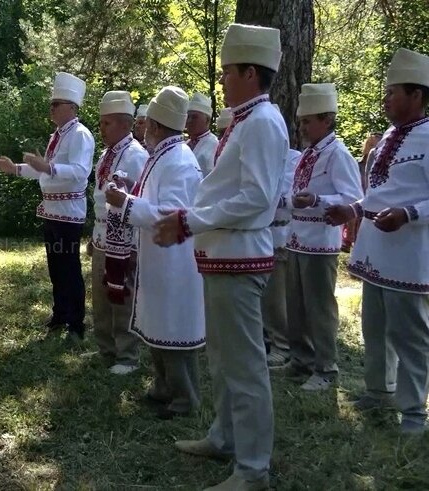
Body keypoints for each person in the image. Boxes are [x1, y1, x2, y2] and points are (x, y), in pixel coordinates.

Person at [154, 23, 288, 491]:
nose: (222, 80)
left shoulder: (265, 123)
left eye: (229, 71)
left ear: (251, 73)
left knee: (245, 365)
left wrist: (190, 221)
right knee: (225, 360)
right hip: (223, 256)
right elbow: (231, 191)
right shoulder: (247, 122)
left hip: (241, 260)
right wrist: (191, 218)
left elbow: (256, 198)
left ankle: (253, 469)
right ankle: (225, 436)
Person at [325, 48, 429, 434]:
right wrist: (353, 208)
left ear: (416, 95)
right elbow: (379, 192)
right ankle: (377, 390)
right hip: (375, 249)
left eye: (392, 93)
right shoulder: (387, 136)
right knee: (375, 325)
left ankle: (414, 411)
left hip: (408, 251)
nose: (385, 100)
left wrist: (409, 213)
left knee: (409, 333)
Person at [105, 86, 205, 419]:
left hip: (174, 260)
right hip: (157, 257)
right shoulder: (163, 155)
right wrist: (127, 196)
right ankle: (164, 386)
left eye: (147, 124)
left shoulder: (179, 160)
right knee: (158, 326)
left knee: (172, 328)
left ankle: (184, 399)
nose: (143, 130)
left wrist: (126, 203)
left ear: (158, 127)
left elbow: (171, 214)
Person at [0, 72, 95, 342]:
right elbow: (43, 172)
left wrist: (47, 166)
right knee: (55, 267)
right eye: (51, 104)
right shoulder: (58, 136)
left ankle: (76, 324)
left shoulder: (81, 135)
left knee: (69, 268)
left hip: (69, 213)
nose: (51, 108)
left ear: (71, 107)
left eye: (55, 104)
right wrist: (15, 169)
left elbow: (81, 172)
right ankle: (60, 315)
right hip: (51, 210)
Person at [276, 83, 363, 390]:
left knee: (319, 308)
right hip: (297, 238)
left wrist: (317, 201)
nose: (302, 127)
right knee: (296, 305)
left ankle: (326, 368)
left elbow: (353, 198)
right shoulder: (307, 154)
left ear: (327, 119)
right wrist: (288, 201)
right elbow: (294, 191)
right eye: (301, 121)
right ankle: (300, 360)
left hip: (321, 243)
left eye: (308, 121)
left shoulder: (338, 154)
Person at [90, 91, 148, 374]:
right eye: (101, 123)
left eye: (107, 124)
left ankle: (128, 355)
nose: (102, 129)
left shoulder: (136, 155)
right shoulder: (106, 155)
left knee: (122, 294)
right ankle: (106, 347)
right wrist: (93, 236)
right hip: (102, 235)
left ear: (126, 124)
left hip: (125, 240)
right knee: (100, 295)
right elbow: (100, 199)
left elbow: (135, 198)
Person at [262, 108, 300, 368]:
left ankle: (282, 345)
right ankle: (267, 338)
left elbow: (290, 196)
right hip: (261, 235)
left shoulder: (293, 159)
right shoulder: (263, 157)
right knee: (264, 295)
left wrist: (267, 200)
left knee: (277, 296)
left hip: (280, 235)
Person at [342, 132, 383, 252]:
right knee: (353, 205)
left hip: (370, 195)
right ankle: (348, 240)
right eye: (371, 145)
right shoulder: (357, 164)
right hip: (358, 194)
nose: (373, 148)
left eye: (376, 145)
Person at [186, 93, 220, 177]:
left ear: (207, 120)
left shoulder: (214, 144)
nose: (189, 121)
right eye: (188, 117)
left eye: (194, 117)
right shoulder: (186, 144)